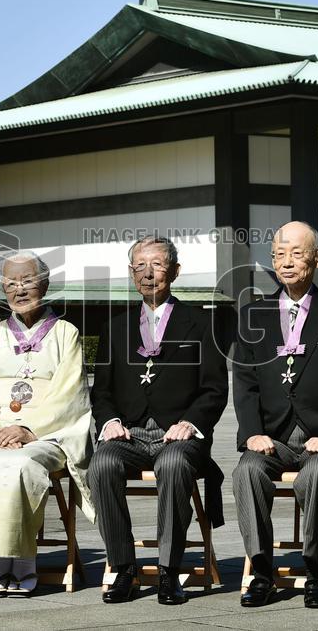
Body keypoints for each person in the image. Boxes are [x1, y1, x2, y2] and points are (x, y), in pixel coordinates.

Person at [89, 235, 228, 605]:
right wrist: (110, 421)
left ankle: (169, 571)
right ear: (130, 272)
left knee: (173, 463)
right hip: (130, 433)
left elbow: (215, 388)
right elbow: (100, 391)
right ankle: (123, 568)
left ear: (175, 271)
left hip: (179, 434)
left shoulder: (201, 322)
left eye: (157, 265)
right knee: (101, 463)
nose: (148, 273)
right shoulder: (115, 326)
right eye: (139, 265)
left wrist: (190, 423)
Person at [232, 221, 318, 609]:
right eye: (279, 254)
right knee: (247, 471)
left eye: (297, 253)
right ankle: (261, 571)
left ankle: (317, 573)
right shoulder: (252, 313)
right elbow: (245, 381)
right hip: (272, 436)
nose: (286, 262)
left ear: (317, 259)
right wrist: (252, 432)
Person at [0, 250, 94, 596]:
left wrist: (28, 430)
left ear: (45, 283)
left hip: (46, 435)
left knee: (20, 465)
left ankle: (24, 561)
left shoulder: (65, 333)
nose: (19, 288)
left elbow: (70, 393)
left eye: (27, 280)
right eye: (11, 282)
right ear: (2, 288)